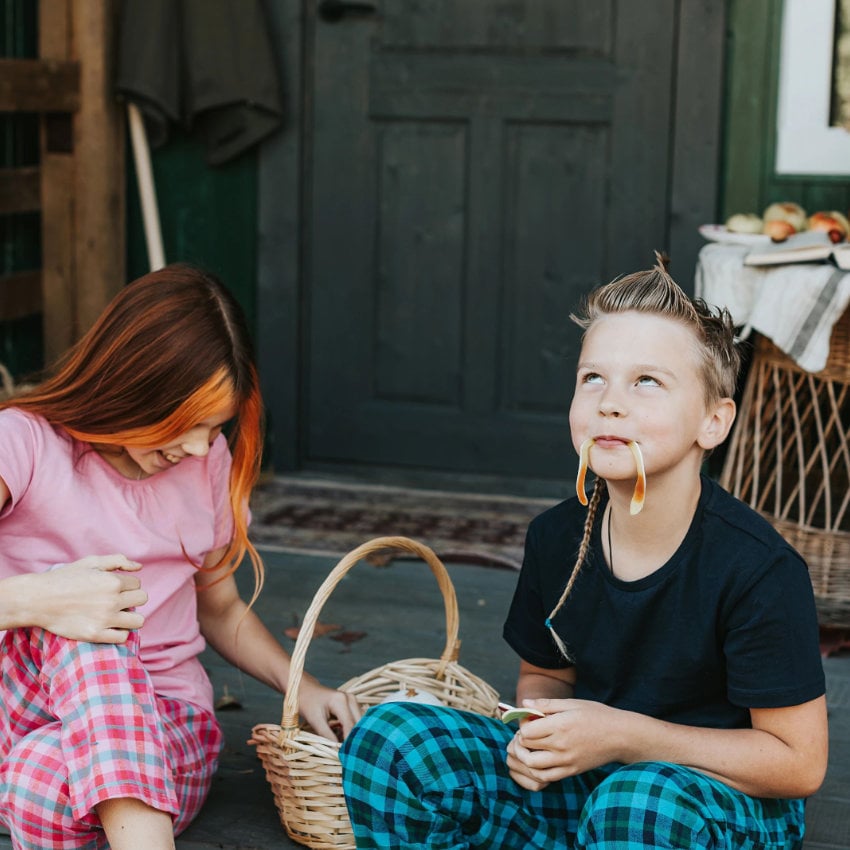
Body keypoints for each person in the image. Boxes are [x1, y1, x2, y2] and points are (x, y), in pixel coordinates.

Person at [339, 255, 828, 849]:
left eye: (646, 381)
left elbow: (798, 764)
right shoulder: (556, 537)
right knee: (391, 738)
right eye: (592, 377)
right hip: (593, 780)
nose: (610, 402)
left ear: (713, 421)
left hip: (716, 800)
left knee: (636, 804)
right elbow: (545, 676)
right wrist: (538, 736)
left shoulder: (758, 568)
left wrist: (627, 737)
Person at [0, 264, 361, 850]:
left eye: (213, 426)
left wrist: (304, 686)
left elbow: (219, 608)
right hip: (21, 705)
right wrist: (41, 599)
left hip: (165, 728)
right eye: (184, 423)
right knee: (94, 606)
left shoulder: (206, 460)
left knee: (36, 784)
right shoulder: (22, 442)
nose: (199, 446)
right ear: (130, 385)